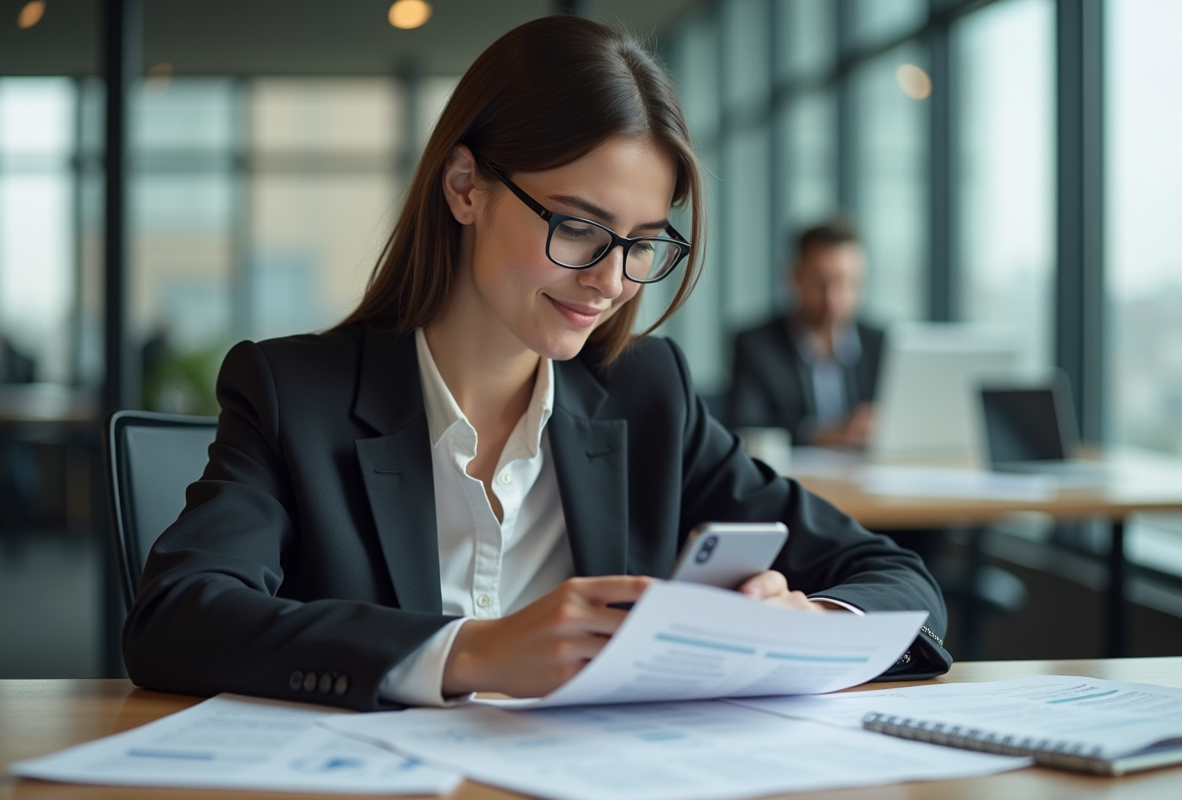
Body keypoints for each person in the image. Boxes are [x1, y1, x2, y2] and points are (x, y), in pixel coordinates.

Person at [123, 16, 948, 712]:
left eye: (642, 245)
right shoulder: (293, 395)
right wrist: (470, 653)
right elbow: (178, 618)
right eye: (579, 226)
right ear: (464, 187)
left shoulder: (647, 396)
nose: (611, 280)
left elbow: (896, 579)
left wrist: (811, 621)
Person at [726, 218, 884, 448]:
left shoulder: (881, 343)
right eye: (821, 282)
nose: (833, 298)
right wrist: (824, 434)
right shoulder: (756, 344)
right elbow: (745, 426)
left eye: (847, 283)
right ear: (795, 275)